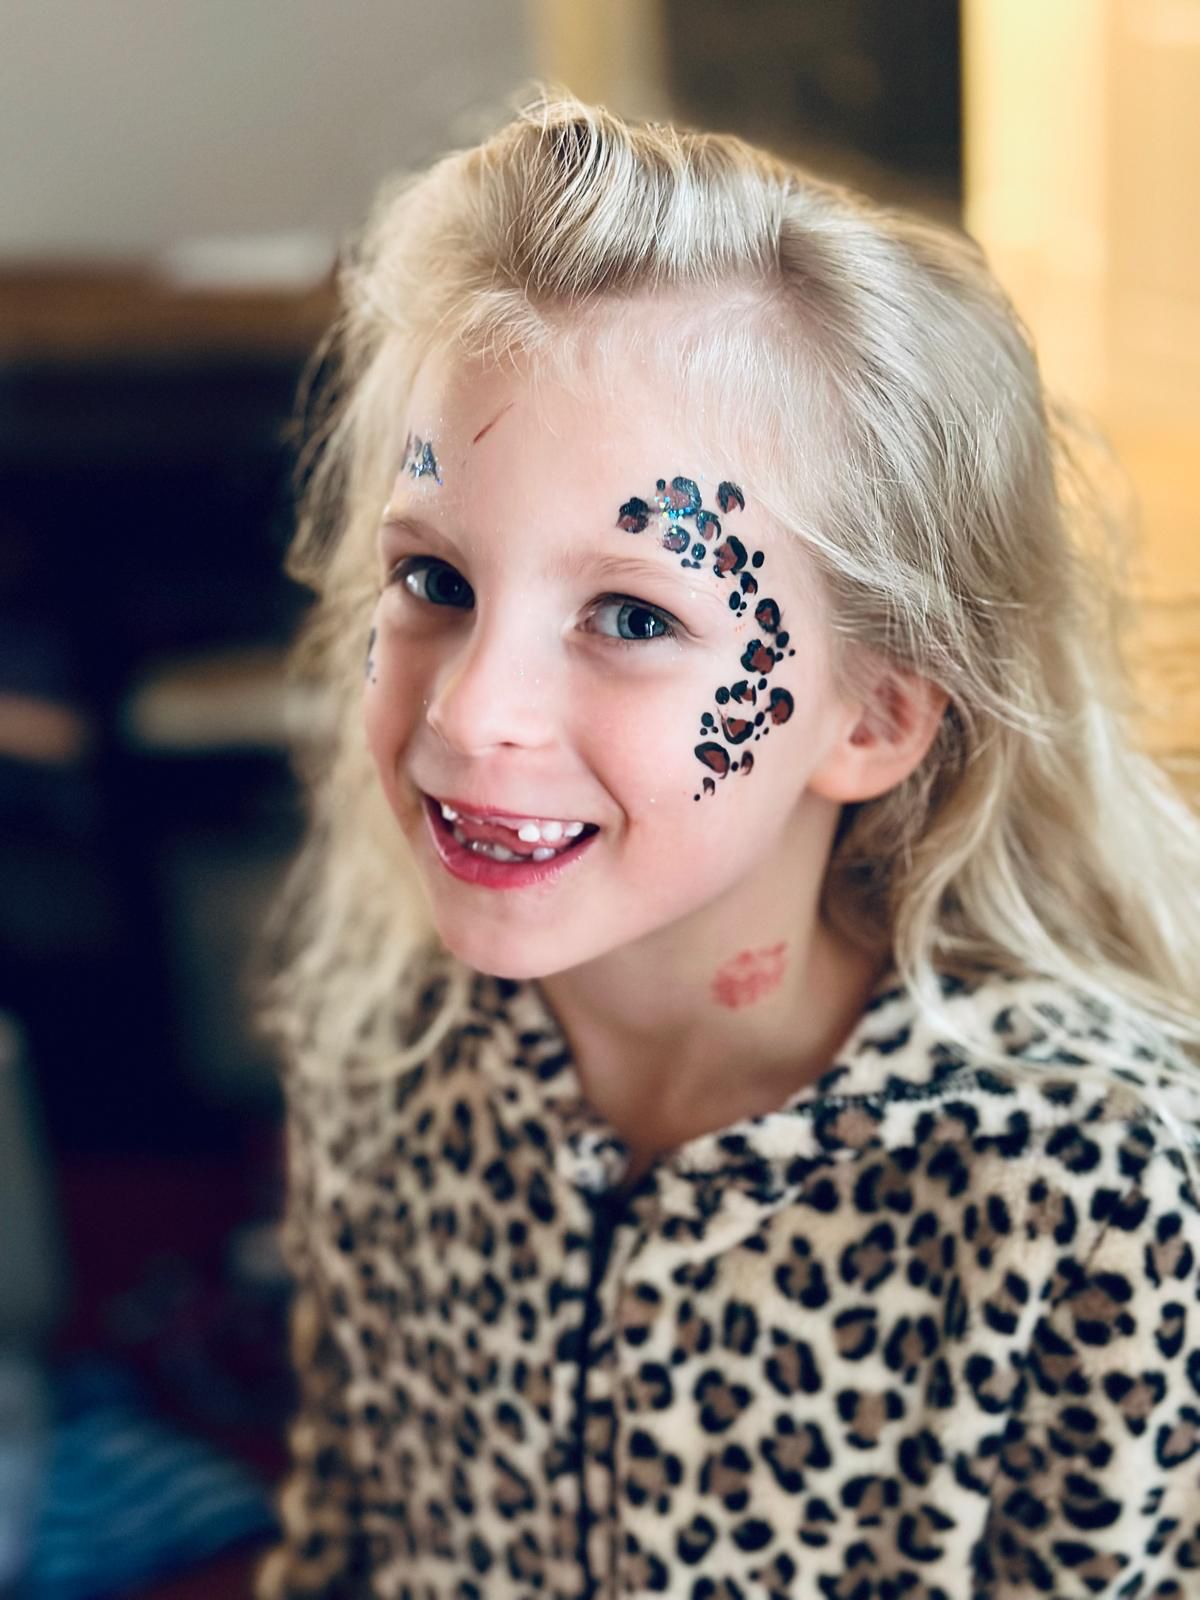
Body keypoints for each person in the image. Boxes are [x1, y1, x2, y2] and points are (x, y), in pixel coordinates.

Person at [254, 95, 1200, 1600]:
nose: (470, 709)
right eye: (433, 575)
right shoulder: (387, 1053)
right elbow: (340, 1547)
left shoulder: (1095, 1189)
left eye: (633, 616)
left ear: (874, 719)